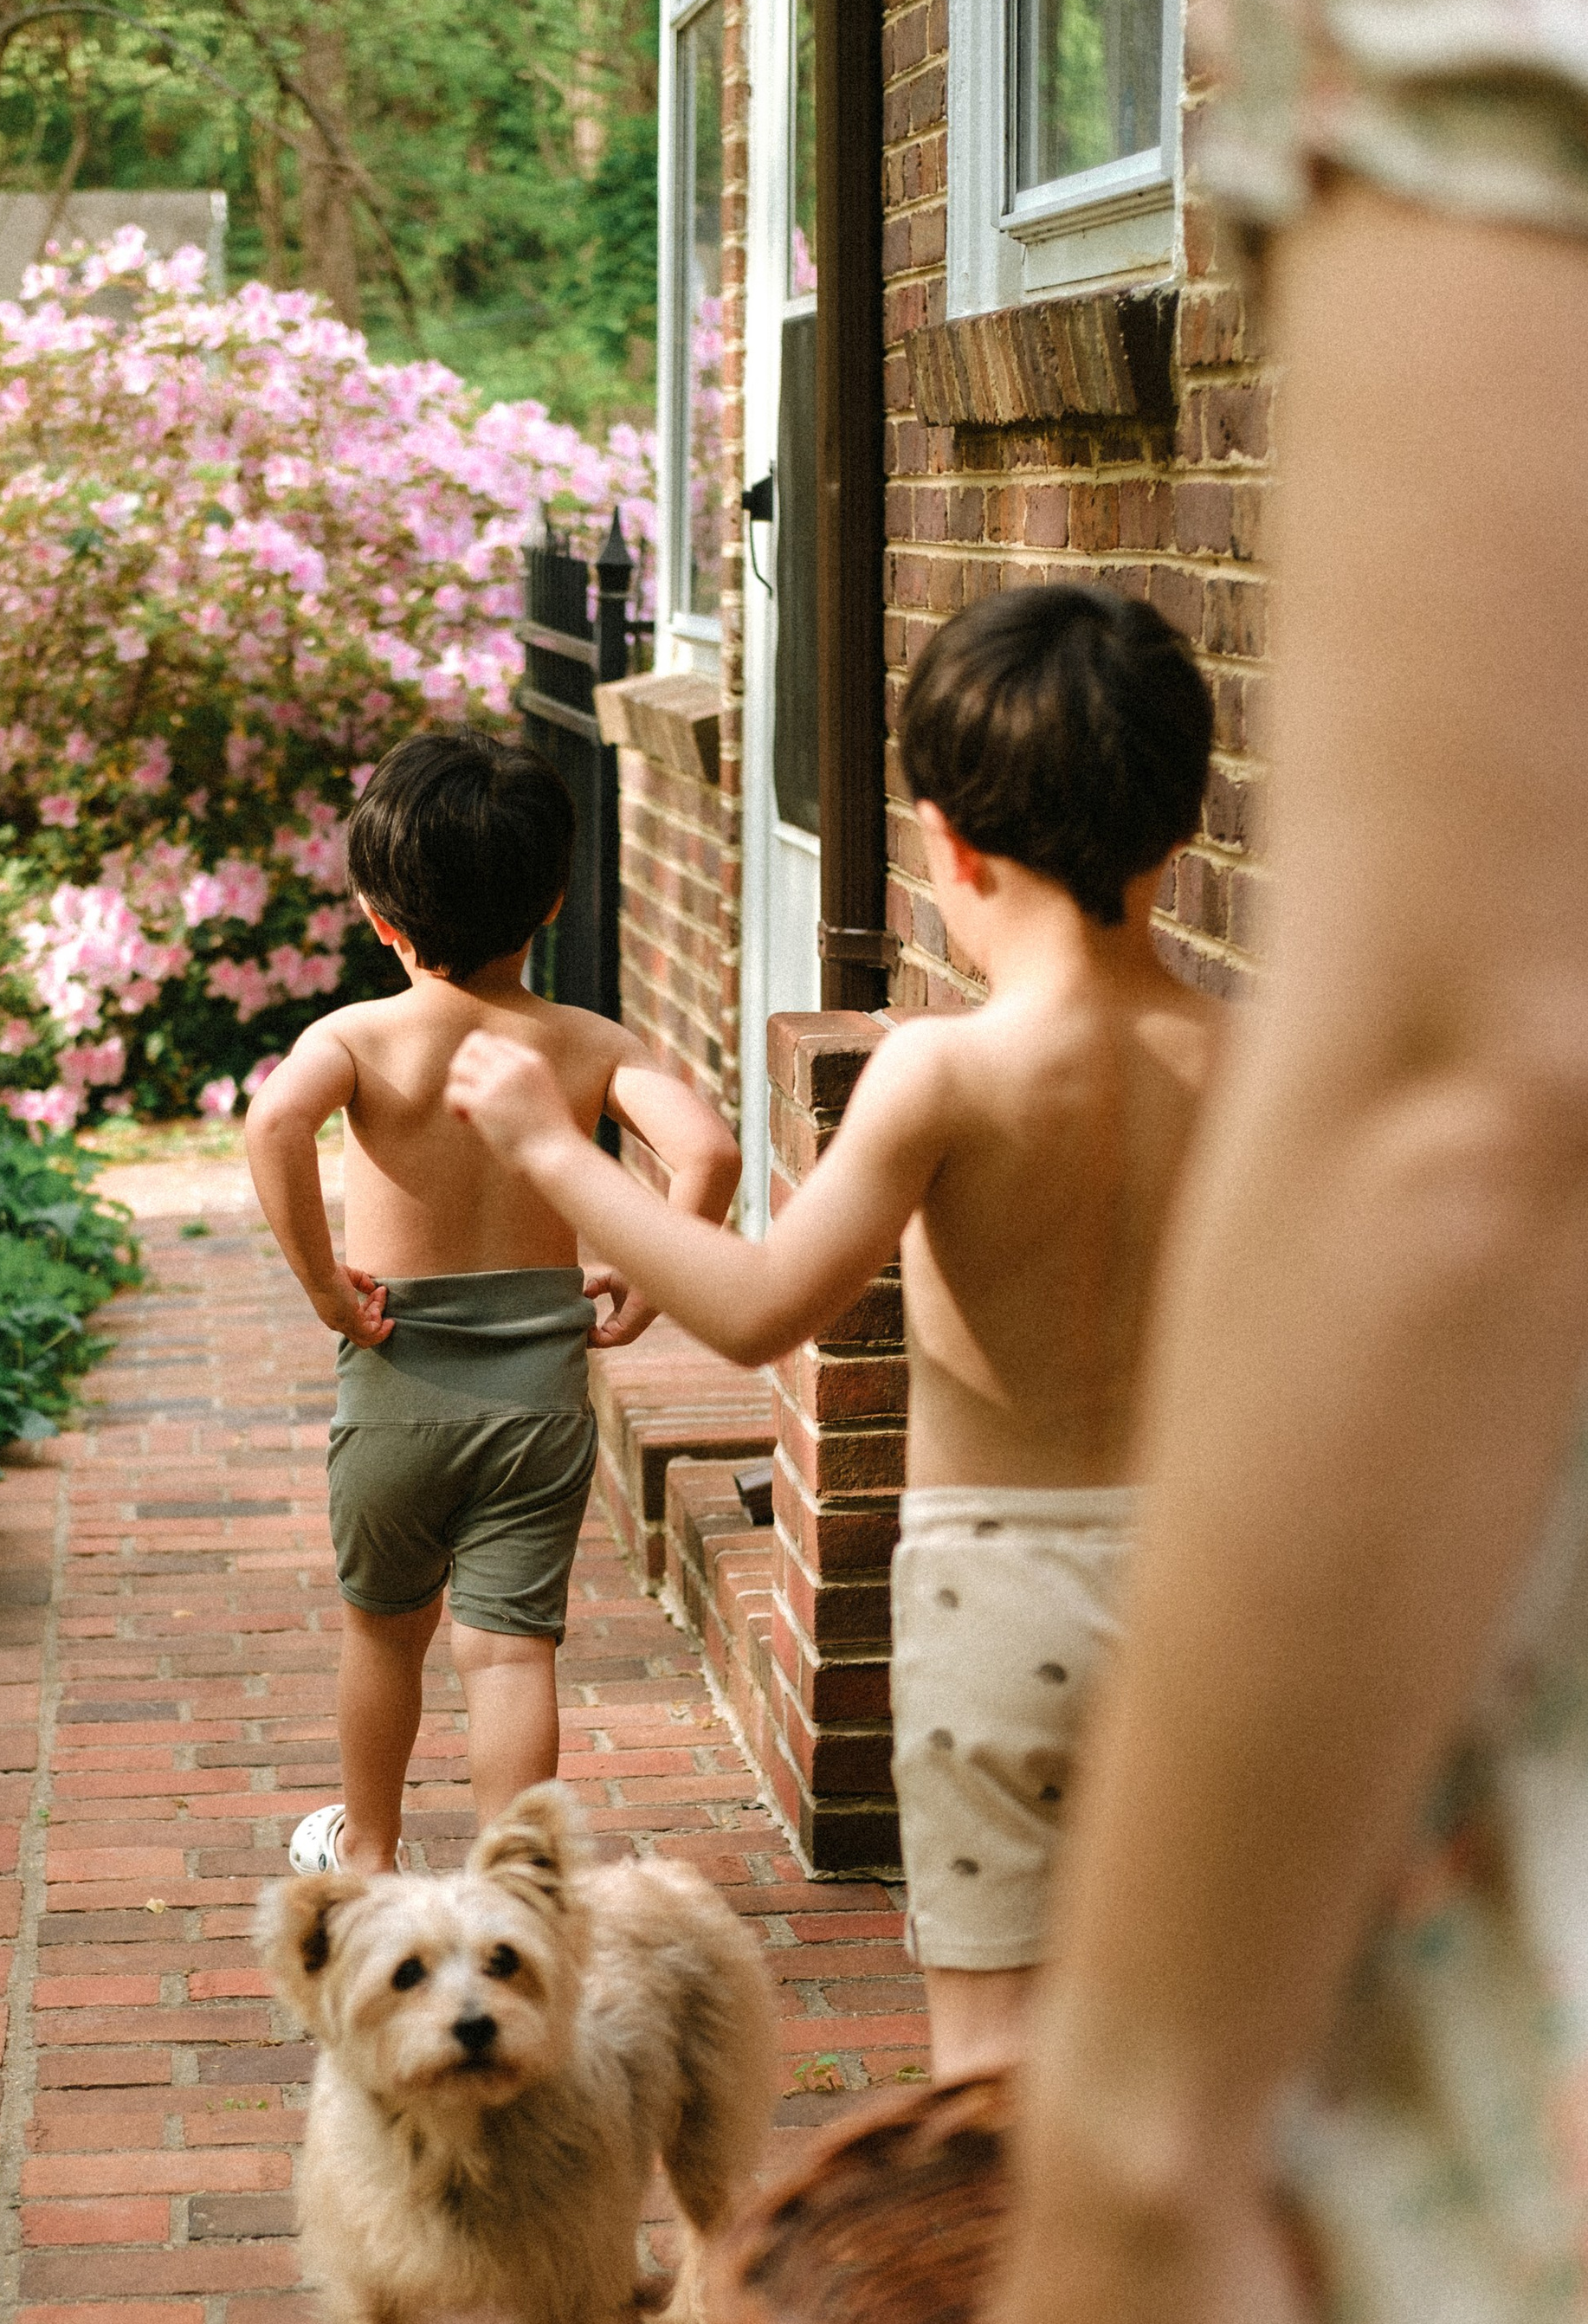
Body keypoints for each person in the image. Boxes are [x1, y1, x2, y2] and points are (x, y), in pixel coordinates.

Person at [962, 0, 1588, 2324]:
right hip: (1148, 1594)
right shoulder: (1198, 1053)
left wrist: (1138, 2142)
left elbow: (1488, 1087)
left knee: (979, 2070)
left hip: (1186, 1703)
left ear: (948, 838)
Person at [446, 584, 1221, 2082]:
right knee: (1195, 2034)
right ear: (1183, 827)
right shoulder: (1252, 1060)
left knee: (990, 2054)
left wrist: (555, 1156)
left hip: (996, 1602)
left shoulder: (944, 1073)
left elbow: (752, 1310)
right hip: (1212, 1579)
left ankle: (984, 2305)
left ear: (945, 843)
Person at [245, 726, 740, 1876]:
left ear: (380, 915)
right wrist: (654, 1271)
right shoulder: (580, 1042)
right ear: (555, 901)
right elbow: (706, 1153)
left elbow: (273, 1124)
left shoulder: (360, 1038)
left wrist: (325, 1283)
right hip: (538, 1398)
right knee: (510, 1651)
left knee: (385, 1630)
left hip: (397, 1374)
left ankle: (367, 1851)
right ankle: (514, 1885)